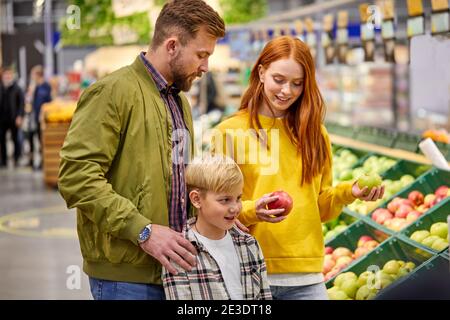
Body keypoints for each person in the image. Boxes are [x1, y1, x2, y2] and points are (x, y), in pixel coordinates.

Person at [58, 0, 225, 300]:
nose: (205, 67)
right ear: (172, 45)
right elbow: (76, 178)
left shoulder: (179, 101)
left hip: (173, 272)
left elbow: (177, 176)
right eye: (201, 55)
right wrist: (143, 231)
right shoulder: (112, 92)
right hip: (125, 278)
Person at [212, 36, 384, 300]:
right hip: (248, 273)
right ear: (261, 72)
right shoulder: (230, 133)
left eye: (297, 83)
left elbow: (322, 207)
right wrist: (251, 211)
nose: (286, 91)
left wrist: (351, 191)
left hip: (307, 277)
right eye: (279, 80)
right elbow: (214, 209)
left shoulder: (315, 134)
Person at [162, 155, 272, 300]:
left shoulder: (250, 244)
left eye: (238, 198)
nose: (235, 208)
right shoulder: (180, 251)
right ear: (196, 199)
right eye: (225, 200)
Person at [0, 67, 25, 168]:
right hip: (2, 119)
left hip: (14, 118)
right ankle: (4, 161)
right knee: (2, 140)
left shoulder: (17, 88)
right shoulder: (1, 87)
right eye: (6, 75)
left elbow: (21, 104)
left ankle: (16, 159)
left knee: (15, 139)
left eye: (9, 75)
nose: (7, 77)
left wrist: (20, 116)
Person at [30, 65, 52, 169]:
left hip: (43, 118)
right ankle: (40, 161)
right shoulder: (37, 86)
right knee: (38, 140)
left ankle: (44, 163)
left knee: (43, 141)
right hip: (36, 118)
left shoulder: (45, 86)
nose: (32, 77)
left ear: (38, 75)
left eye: (33, 74)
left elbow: (46, 103)